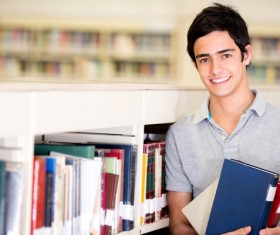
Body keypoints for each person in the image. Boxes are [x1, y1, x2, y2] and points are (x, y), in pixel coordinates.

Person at [165, 3, 280, 235]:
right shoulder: (180, 134)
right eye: (204, 59)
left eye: (225, 55)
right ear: (196, 65)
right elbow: (178, 224)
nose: (216, 69)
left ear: (246, 55)